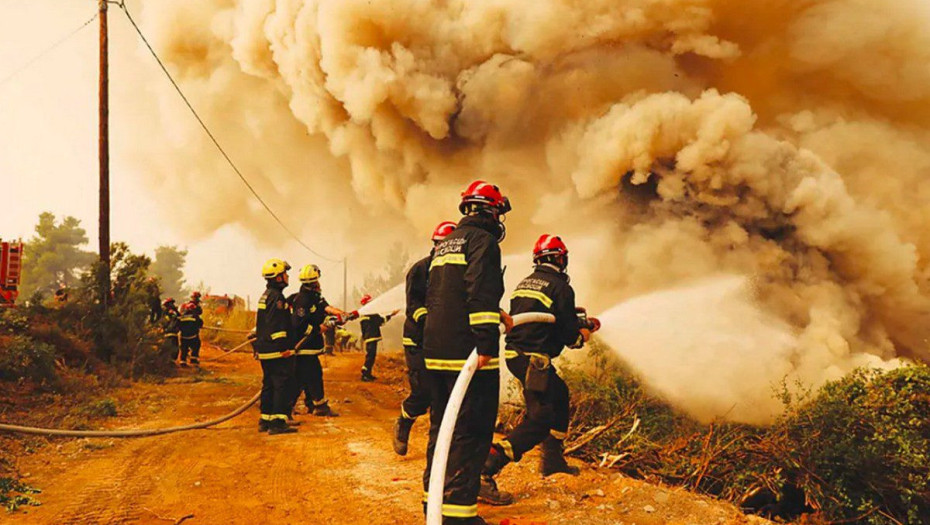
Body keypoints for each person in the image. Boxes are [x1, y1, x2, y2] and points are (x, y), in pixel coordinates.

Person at [479, 235, 601, 505]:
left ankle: (553, 460)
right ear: (560, 258)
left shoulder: (527, 282)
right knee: (541, 417)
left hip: (518, 355)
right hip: (532, 359)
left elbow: (543, 317)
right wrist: (582, 333)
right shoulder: (560, 286)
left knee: (560, 393)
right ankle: (487, 467)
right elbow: (569, 335)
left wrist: (568, 315)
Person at [422, 180, 512, 525]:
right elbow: (477, 291)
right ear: (490, 210)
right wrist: (487, 341)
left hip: (436, 352)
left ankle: (432, 503)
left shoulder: (446, 244)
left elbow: (449, 294)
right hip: (467, 355)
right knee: (471, 434)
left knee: (441, 431)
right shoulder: (484, 241)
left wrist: (497, 310)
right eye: (497, 210)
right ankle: (459, 516)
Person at [393, 220, 457, 456]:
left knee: (445, 395)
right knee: (424, 393)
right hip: (418, 342)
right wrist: (432, 321)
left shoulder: (456, 271)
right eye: (441, 245)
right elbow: (414, 307)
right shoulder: (420, 270)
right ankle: (404, 421)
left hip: (443, 342)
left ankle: (442, 447)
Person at [289, 264, 356, 417]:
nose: (319, 284)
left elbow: (326, 307)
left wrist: (344, 314)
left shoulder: (314, 296)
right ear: (313, 282)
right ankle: (315, 406)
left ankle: (305, 405)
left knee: (303, 377)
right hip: (303, 346)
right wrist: (324, 326)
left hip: (310, 347)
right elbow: (299, 326)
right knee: (310, 375)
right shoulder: (302, 300)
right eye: (317, 281)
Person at [253, 258, 298, 435]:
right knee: (282, 384)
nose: (287, 277)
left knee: (269, 384)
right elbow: (277, 325)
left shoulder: (266, 295)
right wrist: (283, 348)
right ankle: (278, 423)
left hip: (265, 348)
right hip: (276, 350)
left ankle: (265, 419)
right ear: (278, 278)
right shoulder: (277, 298)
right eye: (284, 274)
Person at [358, 297, 399, 382]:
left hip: (368, 337)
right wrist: (391, 315)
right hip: (372, 337)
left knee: (371, 355)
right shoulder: (371, 313)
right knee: (371, 356)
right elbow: (381, 321)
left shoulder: (364, 314)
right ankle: (365, 373)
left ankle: (368, 373)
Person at [178, 301, 204, 367]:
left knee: (184, 349)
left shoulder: (182, 316)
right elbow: (200, 324)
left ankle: (183, 362)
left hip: (183, 337)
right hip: (193, 337)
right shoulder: (195, 316)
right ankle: (193, 359)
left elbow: (179, 326)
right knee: (196, 346)